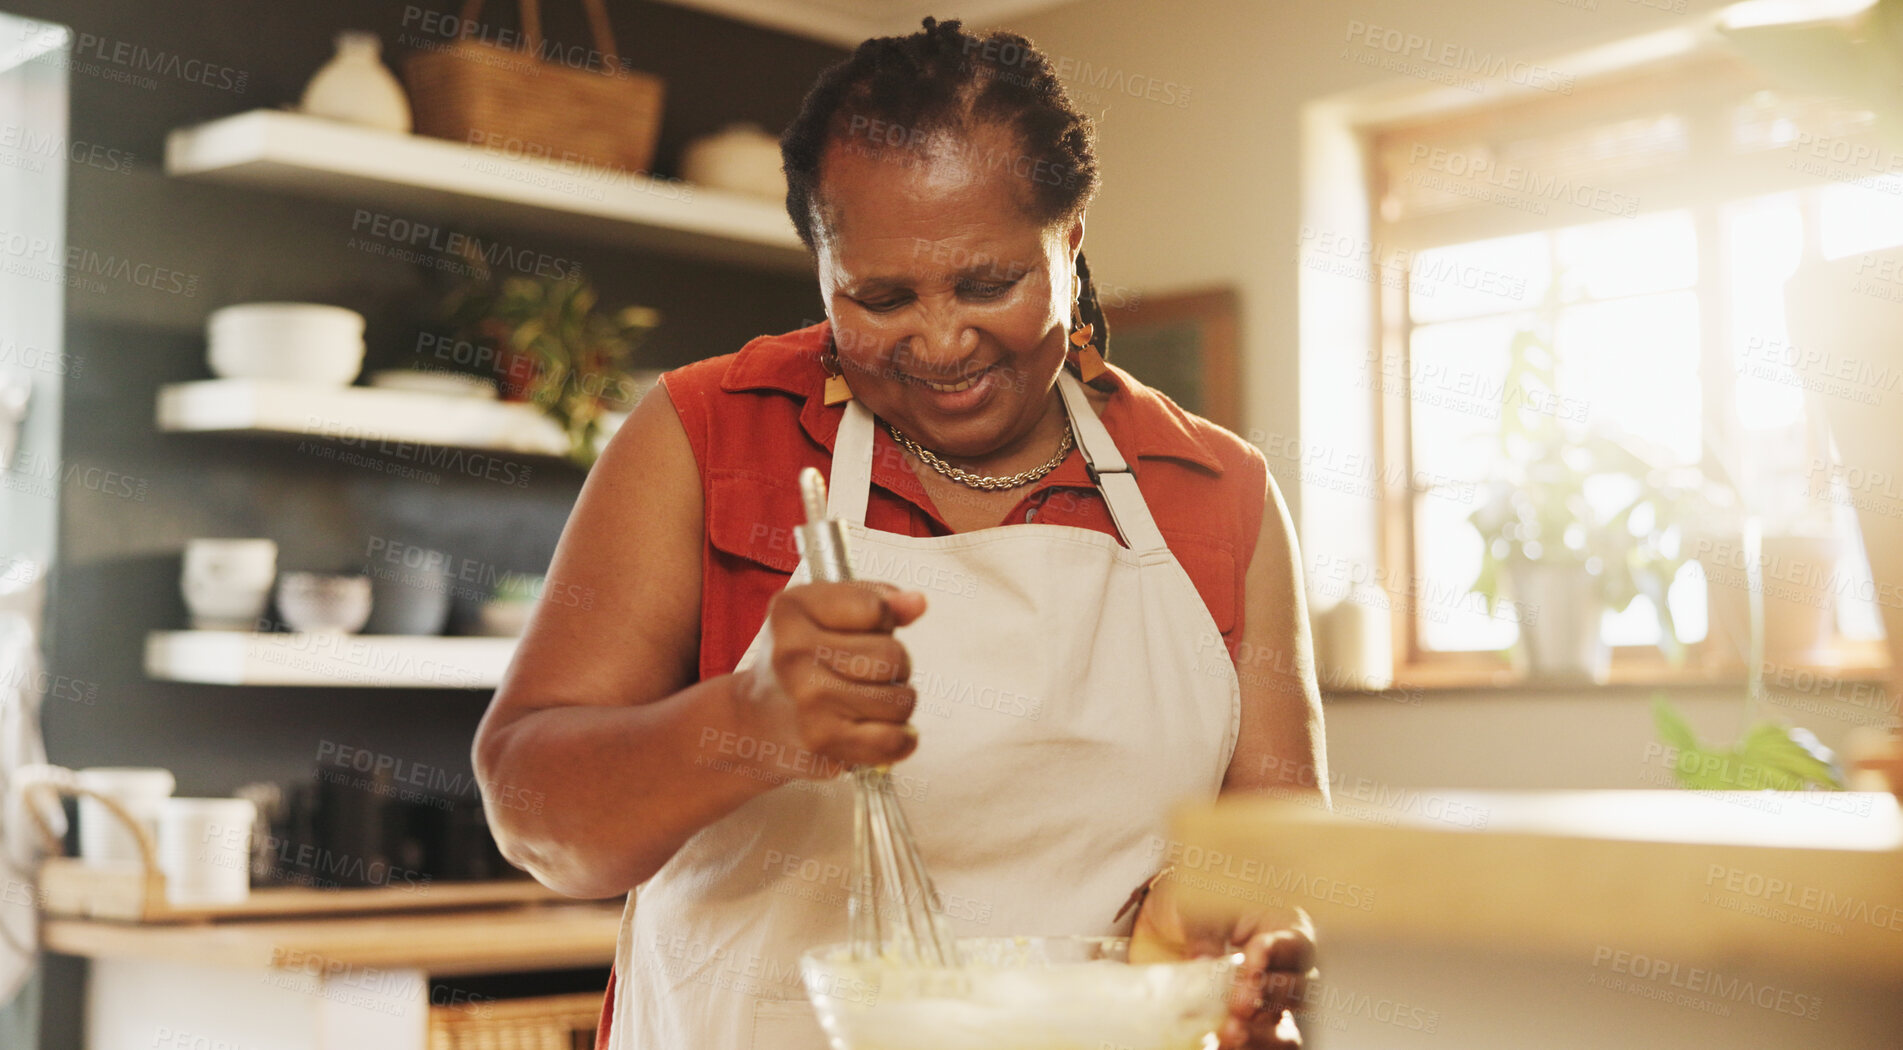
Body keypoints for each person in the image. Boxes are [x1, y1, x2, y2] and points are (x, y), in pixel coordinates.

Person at [473, 17, 1329, 1050]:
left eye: (988, 283)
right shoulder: (704, 433)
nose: (939, 341)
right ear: (820, 268)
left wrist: (1246, 939)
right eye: (877, 297)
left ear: (1072, 242)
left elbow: (1269, 845)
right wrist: (747, 721)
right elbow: (534, 813)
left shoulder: (1216, 489)